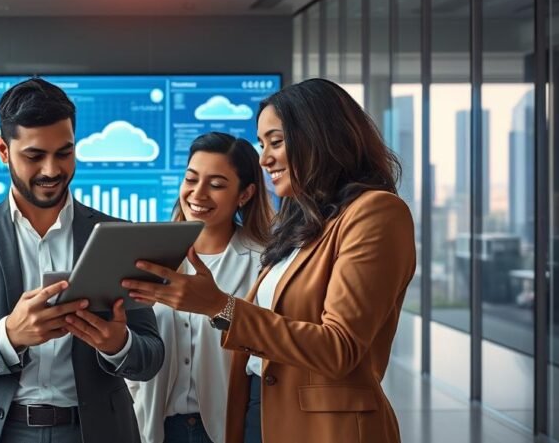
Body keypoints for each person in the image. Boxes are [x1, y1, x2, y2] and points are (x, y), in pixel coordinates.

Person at [125, 78, 415, 443]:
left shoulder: (376, 212)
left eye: (276, 142)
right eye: (262, 145)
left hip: (323, 427)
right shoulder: (305, 227)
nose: (264, 159)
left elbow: (340, 347)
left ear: (319, 137)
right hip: (258, 412)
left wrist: (219, 306)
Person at [0, 78, 164, 443]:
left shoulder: (117, 235)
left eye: (64, 152)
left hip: (94, 432)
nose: (52, 170)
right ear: (3, 150)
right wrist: (10, 334)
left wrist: (117, 343)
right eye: (34, 156)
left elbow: (150, 357)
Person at [129, 132, 273, 443]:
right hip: (155, 427)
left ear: (245, 194)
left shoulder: (264, 263)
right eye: (191, 179)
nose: (198, 193)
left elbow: (266, 351)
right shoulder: (146, 256)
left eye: (217, 185)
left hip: (228, 428)